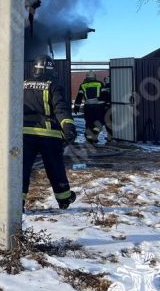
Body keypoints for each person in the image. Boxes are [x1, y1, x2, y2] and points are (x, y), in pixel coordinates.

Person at [23, 55, 77, 210]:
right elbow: (60, 108)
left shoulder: (23, 84)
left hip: (25, 134)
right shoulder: (53, 86)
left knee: (22, 169)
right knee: (55, 167)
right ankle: (64, 198)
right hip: (49, 135)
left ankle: (17, 202)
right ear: (51, 69)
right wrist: (68, 127)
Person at [74, 71, 106, 145]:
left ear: (86, 77)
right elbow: (104, 94)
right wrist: (106, 104)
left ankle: (89, 138)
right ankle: (94, 135)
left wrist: (76, 106)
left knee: (89, 122)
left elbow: (79, 96)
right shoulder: (100, 83)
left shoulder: (83, 85)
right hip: (99, 106)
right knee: (99, 122)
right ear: (94, 76)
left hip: (88, 107)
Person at [101, 75, 114, 142]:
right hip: (116, 106)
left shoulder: (105, 87)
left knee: (108, 122)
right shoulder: (115, 86)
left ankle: (110, 137)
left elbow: (102, 97)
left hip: (107, 107)